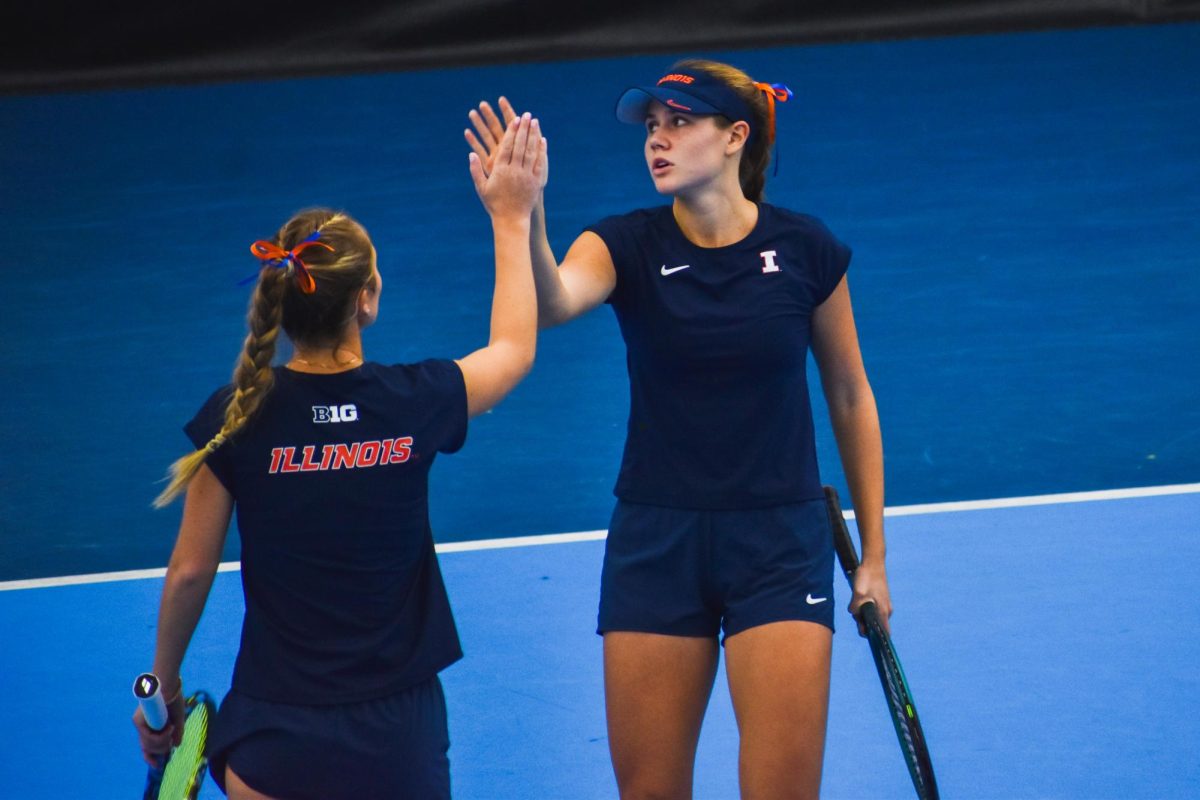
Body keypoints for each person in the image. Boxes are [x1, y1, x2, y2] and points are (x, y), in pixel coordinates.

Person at [464, 61, 891, 799]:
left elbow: (851, 395)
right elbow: (556, 301)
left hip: (779, 544)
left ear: (734, 137)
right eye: (652, 127)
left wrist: (874, 559)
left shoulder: (806, 250)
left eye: (679, 123)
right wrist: (524, 214)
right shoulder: (623, 244)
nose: (657, 140)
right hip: (657, 545)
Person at [133, 114, 547, 800]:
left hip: (275, 733)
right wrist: (512, 215)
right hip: (398, 735)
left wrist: (166, 691)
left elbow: (188, 573)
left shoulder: (236, 418)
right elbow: (514, 351)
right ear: (368, 299)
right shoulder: (416, 402)